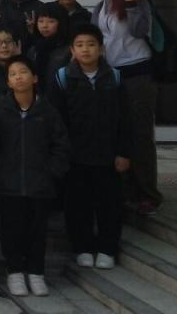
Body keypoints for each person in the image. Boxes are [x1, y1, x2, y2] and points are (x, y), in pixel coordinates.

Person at [47, 23, 132, 270]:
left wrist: (124, 152)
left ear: (101, 49)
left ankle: (107, 248)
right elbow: (56, 120)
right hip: (75, 155)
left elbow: (125, 119)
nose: (86, 50)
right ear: (72, 50)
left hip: (108, 154)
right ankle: (82, 247)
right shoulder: (63, 78)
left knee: (109, 204)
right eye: (80, 45)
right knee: (77, 204)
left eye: (91, 44)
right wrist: (60, 153)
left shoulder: (114, 77)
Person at [0, 57, 70, 298]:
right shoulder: (0, 110)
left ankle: (36, 272)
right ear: (8, 82)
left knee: (37, 231)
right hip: (7, 184)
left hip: (40, 183)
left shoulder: (47, 110)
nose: (19, 77)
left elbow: (61, 144)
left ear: (35, 77)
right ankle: (14, 272)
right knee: (11, 231)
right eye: (13, 74)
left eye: (23, 72)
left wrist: (52, 171)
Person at [91, 0, 161, 215]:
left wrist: (131, 4)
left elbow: (140, 31)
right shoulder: (101, 6)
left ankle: (148, 194)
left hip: (137, 73)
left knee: (140, 135)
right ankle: (126, 191)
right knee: (118, 133)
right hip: (112, 75)